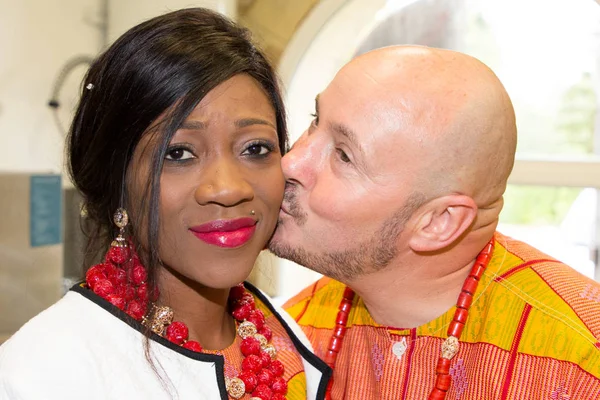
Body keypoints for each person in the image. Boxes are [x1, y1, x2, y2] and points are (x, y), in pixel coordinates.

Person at [0, 8, 330, 400]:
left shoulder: (290, 340)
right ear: (117, 181)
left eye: (255, 148)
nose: (227, 189)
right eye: (178, 154)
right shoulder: (45, 372)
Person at [269, 45, 600, 399]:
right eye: (313, 120)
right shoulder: (287, 332)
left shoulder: (581, 361)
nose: (290, 163)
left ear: (438, 222)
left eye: (344, 156)